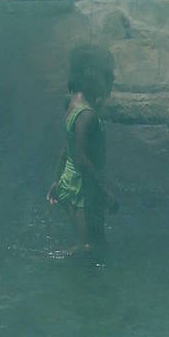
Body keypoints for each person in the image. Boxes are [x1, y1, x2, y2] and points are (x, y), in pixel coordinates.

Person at [47, 45, 118, 260]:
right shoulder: (86, 116)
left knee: (98, 244)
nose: (112, 80)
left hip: (70, 182)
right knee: (89, 247)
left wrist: (57, 180)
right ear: (92, 78)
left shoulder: (71, 103)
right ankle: (46, 259)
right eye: (108, 76)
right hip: (83, 189)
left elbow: (67, 148)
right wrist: (105, 191)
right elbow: (81, 158)